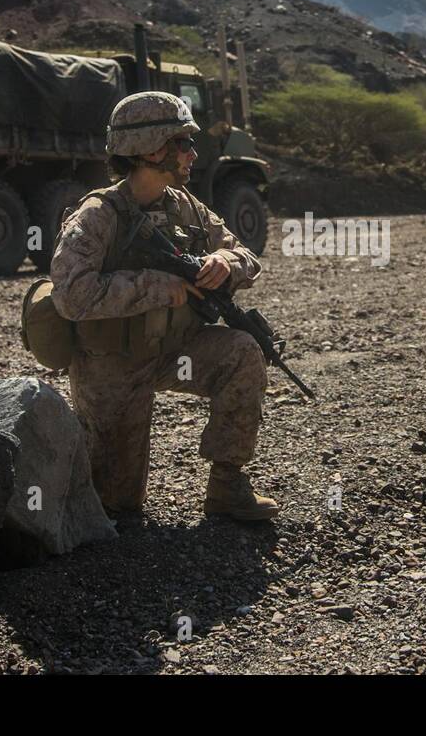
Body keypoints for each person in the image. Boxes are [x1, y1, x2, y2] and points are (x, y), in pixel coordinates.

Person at [49, 91, 279, 521]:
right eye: (183, 143)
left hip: (175, 350)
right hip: (112, 363)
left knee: (244, 352)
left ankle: (227, 487)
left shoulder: (187, 207)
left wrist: (226, 263)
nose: (193, 153)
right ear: (152, 148)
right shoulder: (97, 215)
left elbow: (247, 256)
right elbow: (70, 294)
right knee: (117, 508)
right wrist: (155, 286)